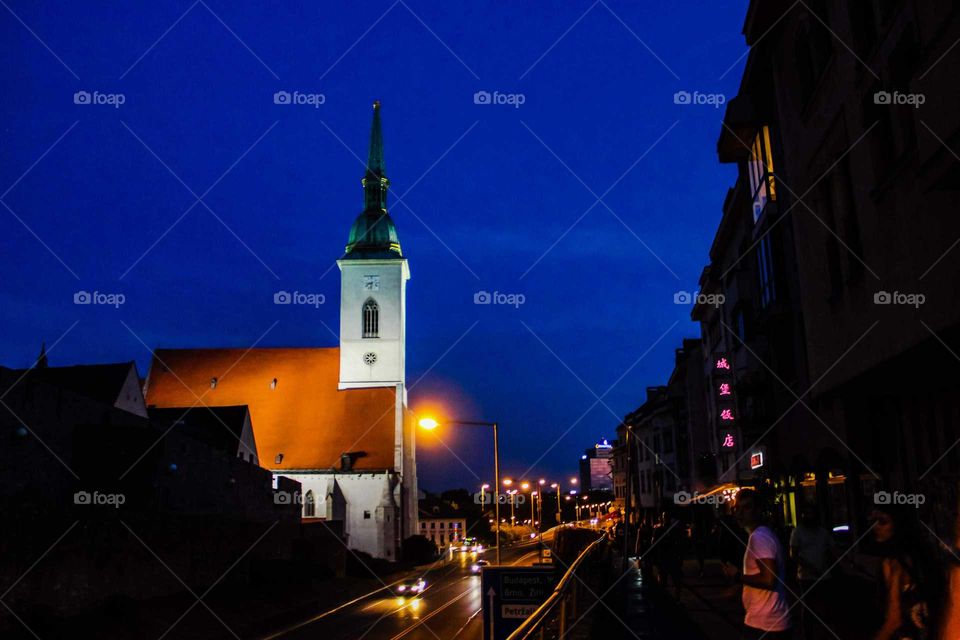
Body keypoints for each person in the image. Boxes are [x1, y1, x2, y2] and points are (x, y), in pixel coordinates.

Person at [723, 488, 791, 638]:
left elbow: (768, 579)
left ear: (759, 510)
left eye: (746, 507)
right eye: (737, 508)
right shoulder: (762, 535)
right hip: (769, 621)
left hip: (765, 623)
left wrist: (737, 577)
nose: (740, 513)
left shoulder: (759, 538)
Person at [870, 504, 944, 640]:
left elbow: (894, 619)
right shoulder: (922, 559)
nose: (875, 527)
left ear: (898, 525)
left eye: (882, 522)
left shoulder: (894, 563)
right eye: (873, 521)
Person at [790, 505, 836, 639]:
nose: (810, 517)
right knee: (808, 607)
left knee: (825, 606)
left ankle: (825, 633)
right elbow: (794, 554)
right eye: (807, 514)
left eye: (812, 513)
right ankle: (808, 635)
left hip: (824, 575)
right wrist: (809, 567)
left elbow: (832, 550)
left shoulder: (822, 532)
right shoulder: (798, 532)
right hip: (806, 576)